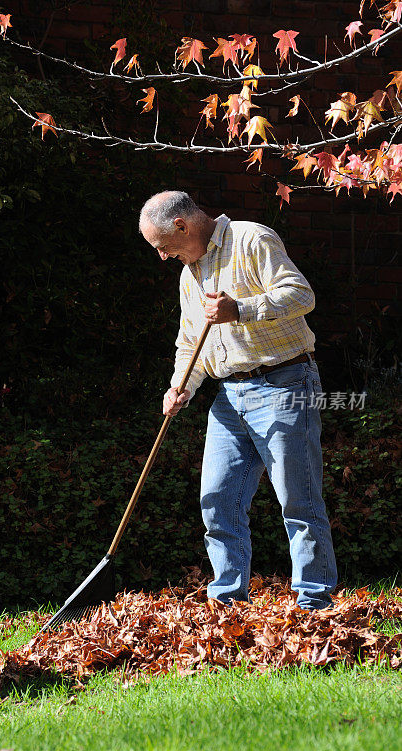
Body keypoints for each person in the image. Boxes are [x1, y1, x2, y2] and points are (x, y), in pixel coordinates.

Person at [139, 190, 337, 611]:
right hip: (230, 396)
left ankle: (313, 604)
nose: (161, 257)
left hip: (286, 383)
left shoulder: (251, 239)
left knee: (298, 500)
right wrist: (181, 387)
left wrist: (241, 310)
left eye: (162, 247)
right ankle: (227, 603)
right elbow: (190, 342)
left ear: (181, 225)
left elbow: (302, 295)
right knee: (217, 501)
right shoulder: (188, 274)